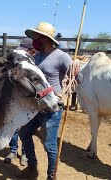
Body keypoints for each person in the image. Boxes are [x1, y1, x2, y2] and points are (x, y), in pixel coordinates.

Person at [18, 22, 81, 180]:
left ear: (45, 39)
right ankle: (32, 168)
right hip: (36, 106)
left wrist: (76, 68)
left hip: (52, 107)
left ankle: (51, 176)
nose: (34, 40)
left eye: (37, 37)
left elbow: (79, 79)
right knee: (24, 134)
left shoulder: (61, 56)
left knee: (49, 145)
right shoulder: (37, 56)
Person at [4, 37, 36, 166]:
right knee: (12, 126)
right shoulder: (15, 61)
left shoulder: (34, 65)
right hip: (14, 99)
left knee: (25, 127)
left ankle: (24, 153)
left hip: (27, 100)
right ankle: (13, 150)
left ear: (32, 51)